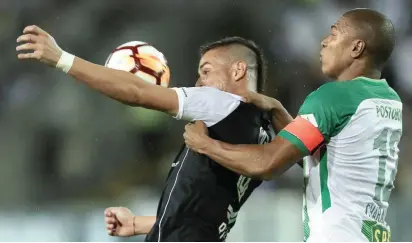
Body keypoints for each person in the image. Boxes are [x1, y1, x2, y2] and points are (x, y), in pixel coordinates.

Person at [16, 30, 291, 241]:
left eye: (206, 72)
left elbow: (138, 92)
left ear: (238, 70)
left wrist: (61, 59)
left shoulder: (221, 102)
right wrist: (139, 224)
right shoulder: (264, 138)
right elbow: (204, 213)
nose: (199, 83)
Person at [183, 8, 402, 242]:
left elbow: (268, 163)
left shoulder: (334, 97)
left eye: (334, 34)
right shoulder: (388, 98)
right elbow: (320, 155)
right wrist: (277, 110)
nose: (324, 42)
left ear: (356, 48)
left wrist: (205, 145)